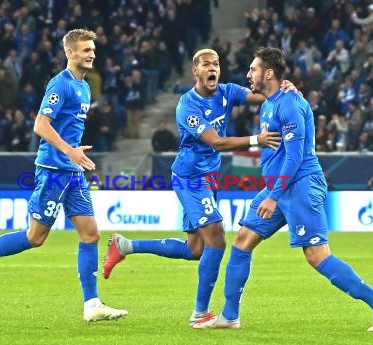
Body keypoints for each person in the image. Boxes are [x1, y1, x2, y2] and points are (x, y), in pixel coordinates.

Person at [192, 47, 373, 332]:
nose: (248, 74)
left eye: (253, 69)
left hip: (299, 185)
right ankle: (229, 316)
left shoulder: (290, 104)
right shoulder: (269, 104)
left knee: (317, 256)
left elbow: (295, 155)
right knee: (242, 240)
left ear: (269, 73)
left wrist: (274, 196)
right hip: (278, 187)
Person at [103, 48, 294, 326]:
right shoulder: (187, 106)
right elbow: (216, 141)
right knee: (216, 238)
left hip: (209, 177)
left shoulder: (227, 91)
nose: (212, 68)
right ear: (196, 71)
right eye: (206, 64)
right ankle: (199, 314)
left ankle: (125, 246)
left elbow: (258, 94)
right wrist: (257, 139)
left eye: (216, 63)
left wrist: (281, 88)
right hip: (190, 179)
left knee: (196, 249)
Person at [0, 29, 128, 322]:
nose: (92, 54)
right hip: (52, 170)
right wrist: (68, 151)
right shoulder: (60, 85)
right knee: (35, 237)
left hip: (72, 172)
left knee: (90, 234)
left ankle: (92, 304)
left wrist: (74, 155)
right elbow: (40, 125)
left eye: (93, 50)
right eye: (86, 50)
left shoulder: (84, 87)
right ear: (70, 53)